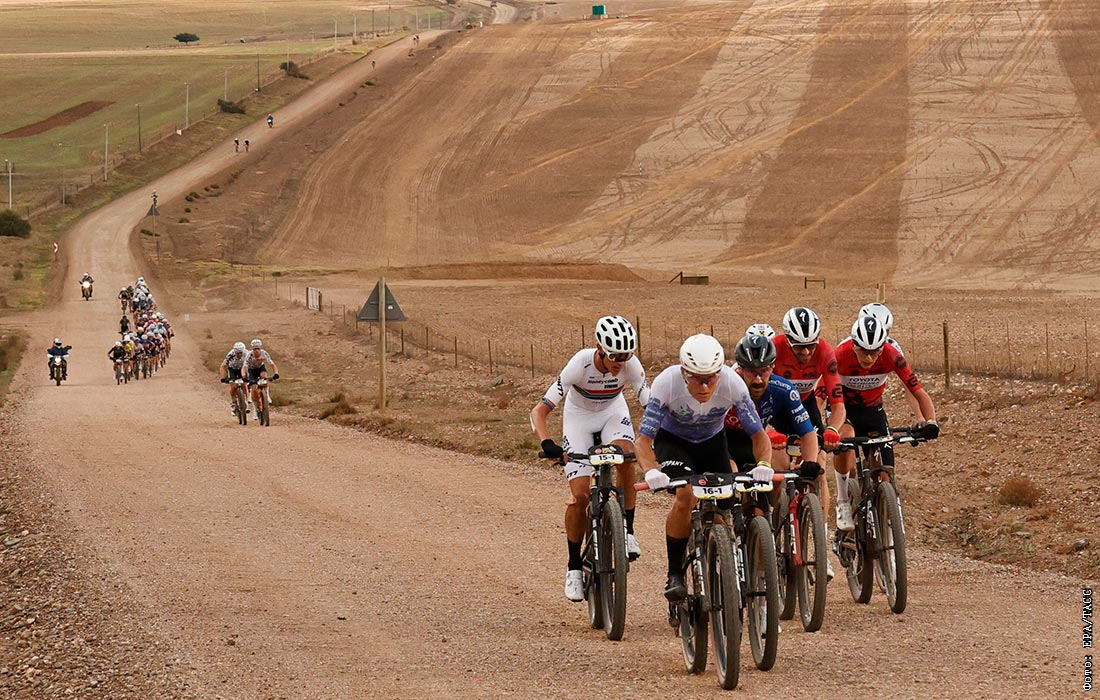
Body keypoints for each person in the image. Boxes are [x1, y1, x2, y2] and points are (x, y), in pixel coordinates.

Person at [634, 334, 772, 601]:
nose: (705, 385)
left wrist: (764, 464)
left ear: (720, 373)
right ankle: (675, 573)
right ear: (684, 373)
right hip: (674, 442)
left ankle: (720, 563)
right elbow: (644, 441)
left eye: (711, 377)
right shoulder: (666, 383)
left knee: (725, 501)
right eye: (697, 378)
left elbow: (758, 435)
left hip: (712, 442)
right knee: (686, 495)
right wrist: (651, 470)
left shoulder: (732, 383)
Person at [529, 316, 649, 602]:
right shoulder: (579, 364)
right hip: (579, 419)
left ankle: (627, 531)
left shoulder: (631, 365)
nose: (620, 362)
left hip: (612, 413)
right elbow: (539, 411)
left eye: (626, 355)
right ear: (599, 349)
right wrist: (547, 443)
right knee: (581, 496)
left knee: (626, 457)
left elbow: (651, 404)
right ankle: (573, 567)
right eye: (614, 356)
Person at [726, 333, 832, 579]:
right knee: (728, 491)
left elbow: (808, 432)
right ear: (740, 370)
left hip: (756, 443)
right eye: (751, 372)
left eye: (763, 371)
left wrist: (811, 462)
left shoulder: (784, 390)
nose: (758, 378)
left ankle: (766, 529)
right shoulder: (727, 388)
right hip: (726, 442)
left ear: (773, 367)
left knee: (770, 485)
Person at [832, 316, 940, 531]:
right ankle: (843, 500)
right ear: (854, 345)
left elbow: (917, 390)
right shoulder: (839, 355)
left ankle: (887, 523)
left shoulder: (892, 354)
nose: (869, 357)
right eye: (863, 351)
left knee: (886, 473)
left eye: (875, 352)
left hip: (873, 411)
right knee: (847, 454)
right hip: (844, 410)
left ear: (883, 347)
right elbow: (822, 392)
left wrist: (930, 422)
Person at [243, 338, 279, 418]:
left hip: (260, 368)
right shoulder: (249, 355)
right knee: (253, 388)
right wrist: (243, 376)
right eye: (255, 349)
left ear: (260, 348)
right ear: (252, 349)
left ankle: (267, 395)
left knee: (264, 377)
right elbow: (244, 367)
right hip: (251, 370)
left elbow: (272, 364)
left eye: (258, 348)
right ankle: (255, 409)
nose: (257, 350)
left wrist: (276, 373)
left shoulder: (264, 353)